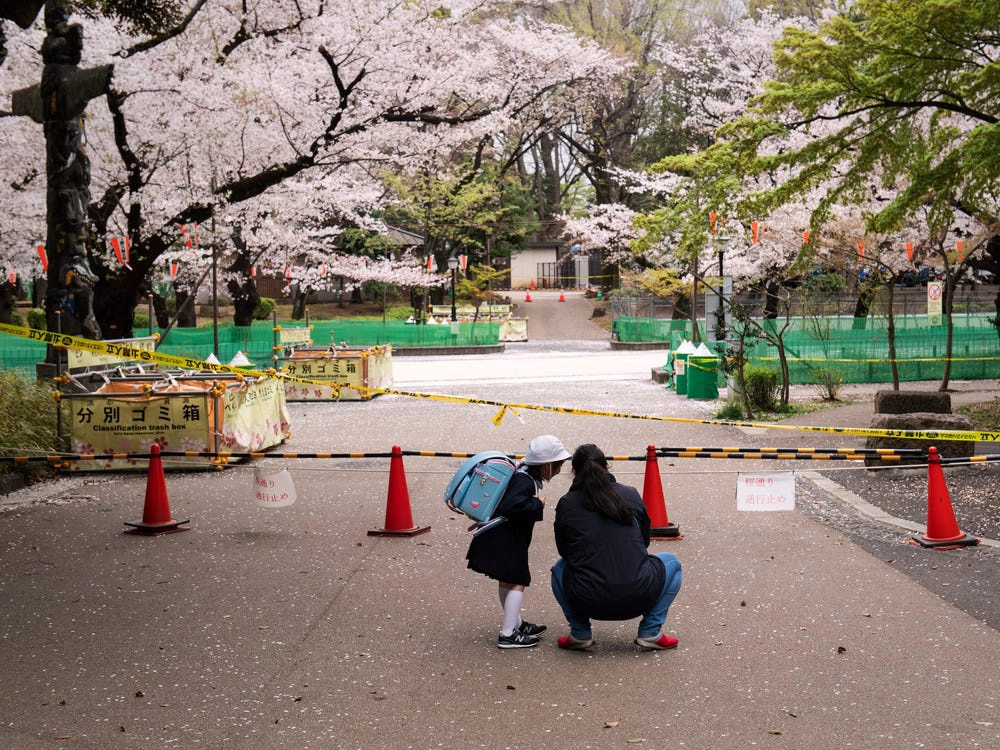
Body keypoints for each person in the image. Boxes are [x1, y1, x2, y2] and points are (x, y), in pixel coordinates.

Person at [551, 443, 682, 651]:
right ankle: (650, 630)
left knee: (558, 569)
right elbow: (644, 542)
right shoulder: (630, 494)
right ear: (607, 466)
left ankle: (580, 632)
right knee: (672, 563)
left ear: (574, 471)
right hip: (639, 594)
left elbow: (565, 551)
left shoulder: (567, 503)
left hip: (587, 598)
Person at [466, 434, 571, 649]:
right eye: (557, 465)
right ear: (545, 465)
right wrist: (537, 504)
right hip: (505, 537)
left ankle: (515, 623)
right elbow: (513, 508)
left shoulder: (521, 473)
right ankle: (507, 634)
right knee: (517, 580)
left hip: (498, 535)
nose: (560, 469)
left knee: (508, 580)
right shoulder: (524, 481)